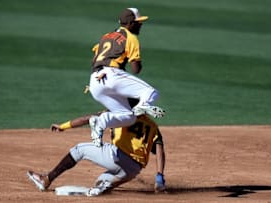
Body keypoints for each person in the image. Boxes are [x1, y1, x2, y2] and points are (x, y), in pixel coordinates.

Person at [26, 111, 166, 196]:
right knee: (100, 182)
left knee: (79, 149)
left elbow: (88, 119)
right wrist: (159, 176)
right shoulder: (152, 126)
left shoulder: (119, 112)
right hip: (133, 170)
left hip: (117, 157)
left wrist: (63, 126)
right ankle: (97, 191)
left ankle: (47, 179)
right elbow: (159, 149)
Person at [88, 8, 165, 148]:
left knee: (128, 117)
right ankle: (143, 106)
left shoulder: (106, 36)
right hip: (112, 75)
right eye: (138, 22)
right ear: (130, 23)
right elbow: (136, 69)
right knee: (150, 92)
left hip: (95, 81)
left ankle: (100, 122)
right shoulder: (131, 38)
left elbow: (95, 58)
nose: (140, 25)